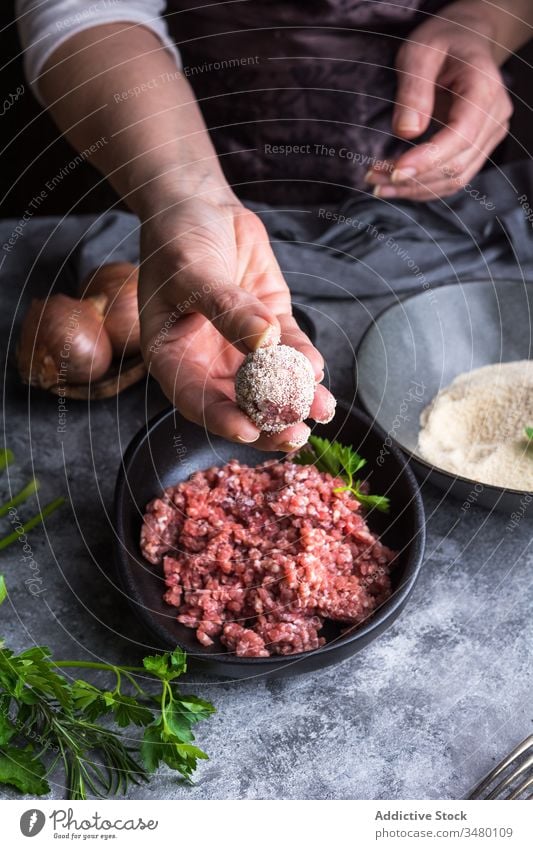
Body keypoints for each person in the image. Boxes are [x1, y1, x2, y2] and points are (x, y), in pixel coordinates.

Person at [16, 1, 533, 450]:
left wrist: (483, 21)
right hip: (181, 144)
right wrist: (187, 197)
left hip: (436, 202)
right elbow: (84, 8)